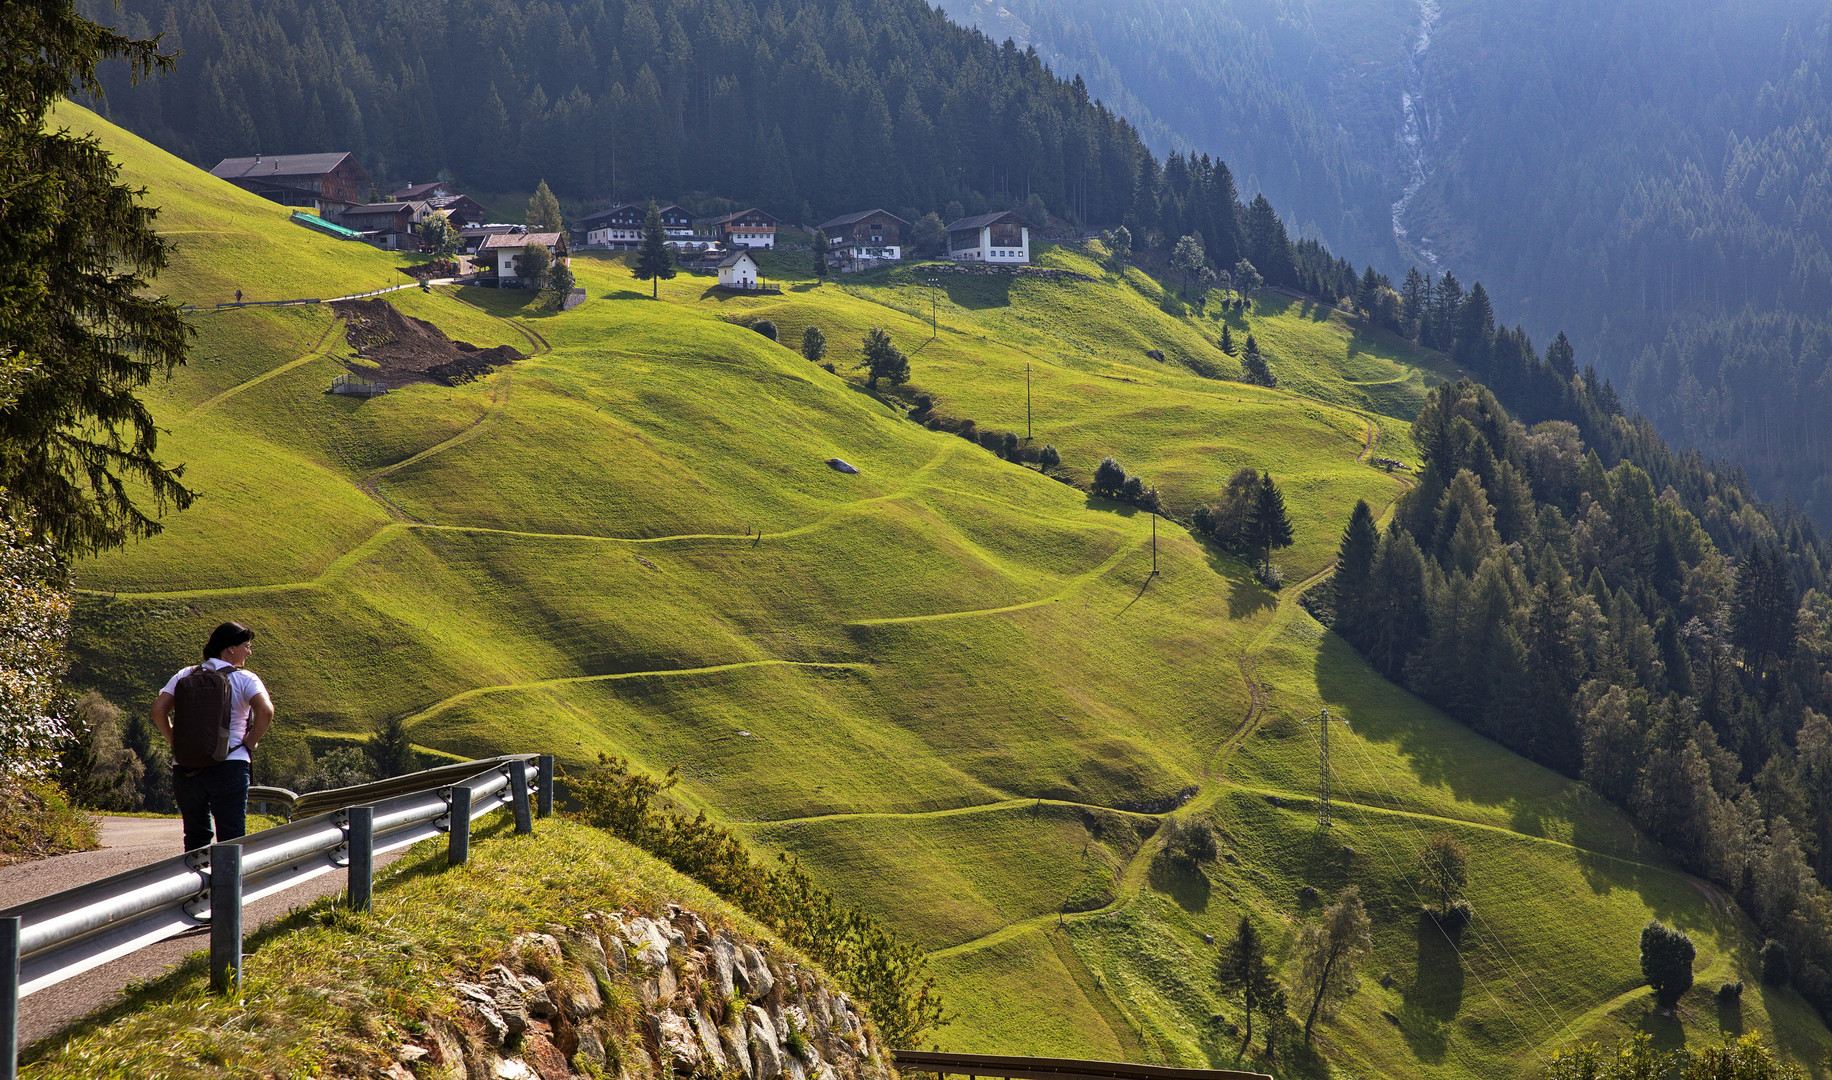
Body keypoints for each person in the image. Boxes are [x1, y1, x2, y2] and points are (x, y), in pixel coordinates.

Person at [152, 622, 275, 852]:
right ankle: (228, 887)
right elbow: (266, 711)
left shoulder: (185, 674)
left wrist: (175, 742)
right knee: (231, 839)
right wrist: (251, 741)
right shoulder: (246, 678)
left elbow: (158, 710)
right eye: (246, 646)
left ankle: (199, 887)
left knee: (195, 837)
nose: (249, 652)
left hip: (186, 767)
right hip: (230, 764)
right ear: (230, 649)